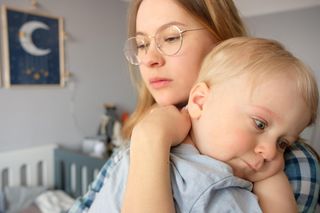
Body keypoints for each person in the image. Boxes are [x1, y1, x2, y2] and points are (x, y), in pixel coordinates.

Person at [68, 0, 320, 212]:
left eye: (170, 37)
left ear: (219, 40)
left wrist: (151, 138)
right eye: (143, 44)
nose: (149, 59)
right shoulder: (132, 147)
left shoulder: (289, 163)